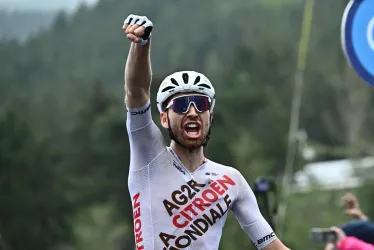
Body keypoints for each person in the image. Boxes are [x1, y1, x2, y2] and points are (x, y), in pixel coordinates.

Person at [122, 14, 290, 250]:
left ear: (210, 116)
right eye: (181, 105)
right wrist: (142, 44)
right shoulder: (148, 157)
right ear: (163, 118)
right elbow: (136, 91)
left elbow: (272, 246)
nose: (192, 112)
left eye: (201, 104)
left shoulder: (231, 180)